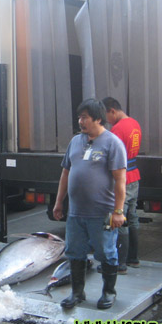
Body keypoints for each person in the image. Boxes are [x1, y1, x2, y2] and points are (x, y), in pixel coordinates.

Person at [53, 98, 127, 310]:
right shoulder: (75, 142)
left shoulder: (112, 143)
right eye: (79, 117)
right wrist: (59, 203)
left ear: (98, 118)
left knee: (106, 253)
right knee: (75, 252)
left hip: (102, 213)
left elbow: (121, 181)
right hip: (76, 213)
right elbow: (65, 173)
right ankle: (77, 293)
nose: (80, 121)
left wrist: (118, 212)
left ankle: (108, 293)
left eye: (84, 117)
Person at [103, 97, 142, 273]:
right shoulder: (135, 123)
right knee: (132, 217)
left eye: (106, 116)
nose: (106, 121)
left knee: (120, 219)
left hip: (122, 178)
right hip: (134, 176)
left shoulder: (117, 130)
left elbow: (112, 156)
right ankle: (134, 258)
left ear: (112, 110)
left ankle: (120, 263)